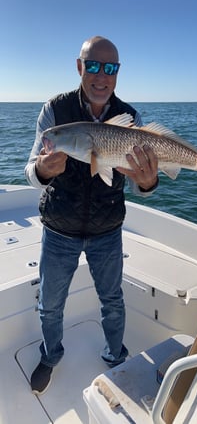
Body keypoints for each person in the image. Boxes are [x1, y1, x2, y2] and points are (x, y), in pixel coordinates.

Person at [25, 35, 159, 395]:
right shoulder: (55, 111)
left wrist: (148, 182)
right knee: (49, 305)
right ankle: (50, 355)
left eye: (110, 68)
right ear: (80, 67)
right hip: (58, 230)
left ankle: (116, 356)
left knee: (113, 300)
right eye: (94, 66)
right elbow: (30, 169)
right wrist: (44, 169)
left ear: (117, 72)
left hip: (107, 231)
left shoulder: (129, 118)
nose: (102, 76)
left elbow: (139, 184)